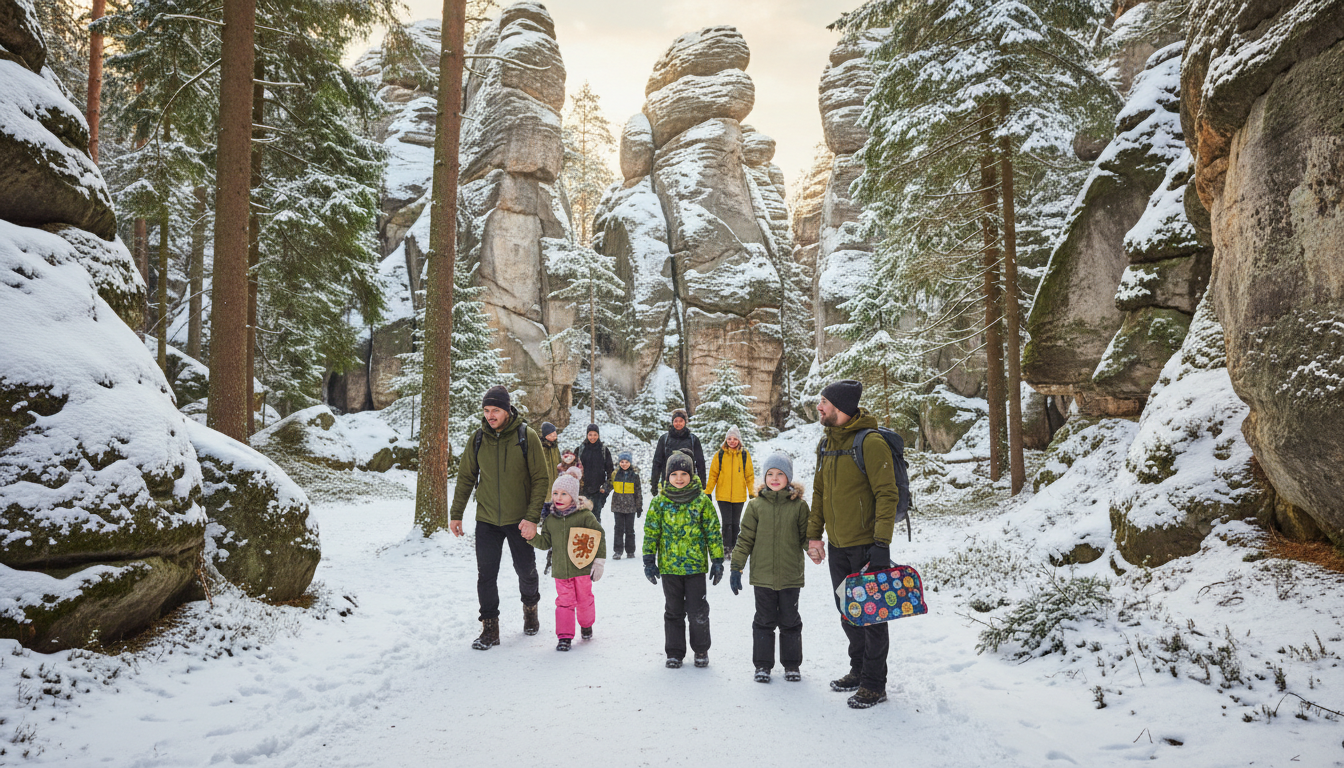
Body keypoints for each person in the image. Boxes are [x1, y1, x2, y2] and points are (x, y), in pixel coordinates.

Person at [806, 379, 902, 709]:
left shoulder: (870, 442)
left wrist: (882, 543)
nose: (819, 406)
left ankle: (874, 684)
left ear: (841, 408)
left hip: (866, 546)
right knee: (848, 611)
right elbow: (819, 492)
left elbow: (887, 494)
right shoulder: (826, 443)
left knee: (872, 616)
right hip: (838, 546)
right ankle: (858, 670)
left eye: (824, 402)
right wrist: (814, 536)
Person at [449, 385, 549, 650]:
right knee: (486, 575)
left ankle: (530, 609)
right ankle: (490, 629)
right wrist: (456, 514)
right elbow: (466, 478)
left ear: (507, 410)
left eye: (495, 410)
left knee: (526, 571)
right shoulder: (478, 439)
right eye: (486, 410)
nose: (490, 415)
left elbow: (541, 479)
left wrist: (532, 518)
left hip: (520, 520)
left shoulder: (526, 436)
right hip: (487, 519)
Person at [730, 453, 809, 684]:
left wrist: (815, 549)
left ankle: (792, 665)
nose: (775, 478)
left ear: (788, 478)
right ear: (764, 478)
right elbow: (745, 539)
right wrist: (736, 567)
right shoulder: (755, 506)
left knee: (790, 621)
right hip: (763, 576)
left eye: (780, 474)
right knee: (764, 621)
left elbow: (806, 537)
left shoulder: (799, 506)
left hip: (790, 576)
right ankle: (763, 665)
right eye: (770, 474)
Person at [643, 452, 724, 669]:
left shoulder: (702, 501)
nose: (679, 478)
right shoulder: (659, 503)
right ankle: (675, 652)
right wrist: (649, 560)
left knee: (698, 611)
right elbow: (651, 532)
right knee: (673, 611)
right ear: (667, 476)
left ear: (692, 475)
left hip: (695, 568)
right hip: (669, 568)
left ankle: (701, 649)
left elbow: (713, 532)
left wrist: (717, 560)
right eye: (674, 474)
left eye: (684, 474)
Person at [528, 472, 606, 651]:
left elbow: (598, 536)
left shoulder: (584, 516)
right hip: (561, 571)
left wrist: (599, 562)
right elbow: (545, 543)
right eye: (555, 493)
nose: (558, 497)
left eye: (564, 494)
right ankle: (564, 636)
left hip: (582, 568)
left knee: (584, 600)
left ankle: (586, 624)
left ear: (573, 496)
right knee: (564, 602)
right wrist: (532, 537)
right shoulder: (550, 520)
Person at [704, 425, 755, 555]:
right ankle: (726, 547)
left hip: (739, 495)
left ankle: (735, 547)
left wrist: (752, 492)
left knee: (736, 523)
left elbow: (749, 475)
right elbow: (713, 474)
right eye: (729, 439)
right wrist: (708, 491)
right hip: (723, 495)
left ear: (739, 440)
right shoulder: (720, 455)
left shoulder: (744, 455)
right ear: (726, 440)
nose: (732, 441)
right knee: (727, 523)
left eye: (735, 439)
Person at [649, 409, 705, 496]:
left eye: (681, 421)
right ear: (672, 422)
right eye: (676, 421)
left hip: (688, 482)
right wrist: (654, 484)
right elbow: (657, 462)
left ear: (685, 422)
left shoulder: (693, 440)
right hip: (668, 483)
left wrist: (703, 484)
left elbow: (700, 463)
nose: (678, 423)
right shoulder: (664, 439)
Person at [576, 424, 614, 523]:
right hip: (583, 490)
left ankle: (596, 533)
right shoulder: (580, 450)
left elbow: (610, 471)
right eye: (590, 435)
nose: (592, 437)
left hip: (598, 491)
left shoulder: (604, 450)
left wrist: (606, 488)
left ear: (598, 435)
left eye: (595, 435)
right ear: (587, 435)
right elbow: (573, 469)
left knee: (595, 519)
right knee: (582, 517)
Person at [608, 450, 643, 560]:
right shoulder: (615, 474)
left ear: (630, 463)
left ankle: (630, 551)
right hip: (618, 506)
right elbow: (609, 484)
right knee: (618, 529)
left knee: (629, 530)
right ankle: (618, 551)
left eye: (626, 462)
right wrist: (603, 489)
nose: (624, 464)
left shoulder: (634, 476)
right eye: (622, 462)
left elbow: (638, 492)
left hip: (630, 507)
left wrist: (639, 506)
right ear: (619, 463)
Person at [539, 421, 562, 489]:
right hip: (546, 477)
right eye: (551, 435)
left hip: (556, 475)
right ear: (546, 436)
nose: (554, 436)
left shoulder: (554, 446)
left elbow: (558, 458)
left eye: (555, 434)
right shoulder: (542, 448)